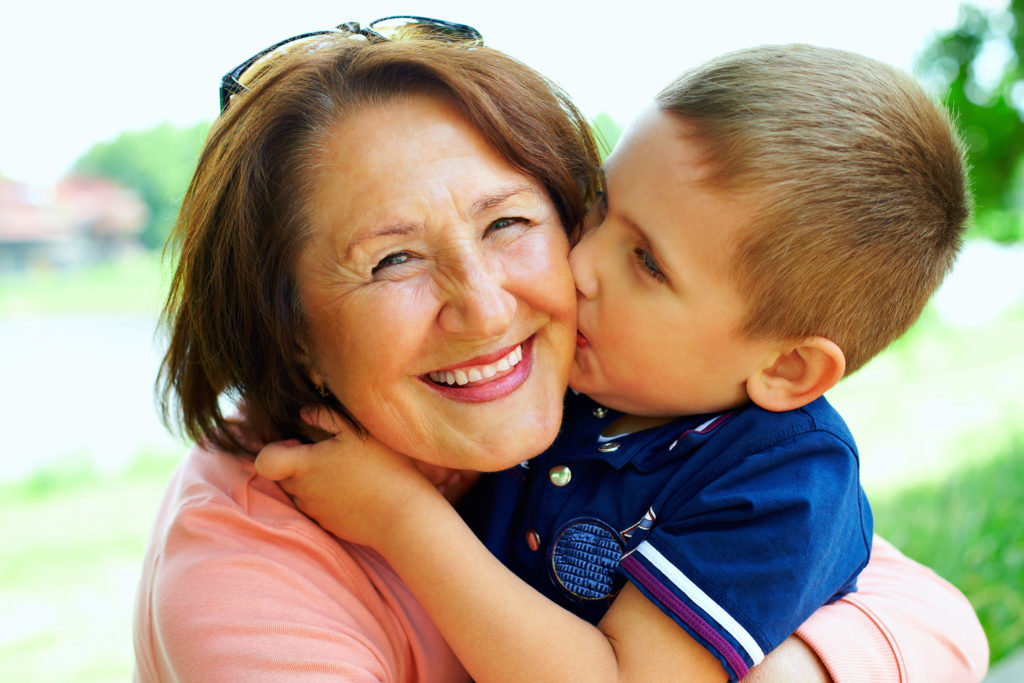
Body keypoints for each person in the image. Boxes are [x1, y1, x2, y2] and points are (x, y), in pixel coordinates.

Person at [132, 18, 989, 682]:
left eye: (510, 221)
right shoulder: (247, 561)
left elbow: (930, 614)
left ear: (787, 370)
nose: (568, 272)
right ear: (286, 326)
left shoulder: (751, 460)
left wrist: (402, 517)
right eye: (392, 259)